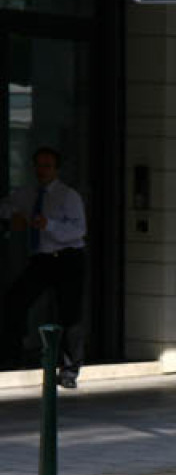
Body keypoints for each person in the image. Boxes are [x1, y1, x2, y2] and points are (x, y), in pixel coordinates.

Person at [1, 147, 88, 387]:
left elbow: (79, 231)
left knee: (69, 314)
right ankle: (14, 354)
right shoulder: (27, 193)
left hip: (68, 258)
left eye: (47, 166)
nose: (42, 171)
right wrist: (12, 217)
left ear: (56, 169)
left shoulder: (68, 196)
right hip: (42, 259)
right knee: (15, 300)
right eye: (38, 166)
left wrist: (48, 225)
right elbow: (6, 206)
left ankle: (69, 370)